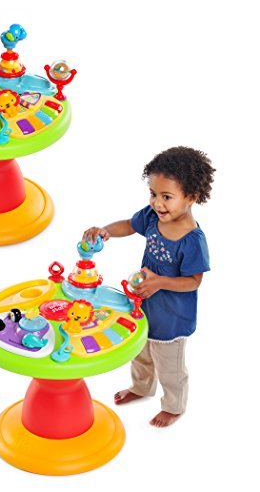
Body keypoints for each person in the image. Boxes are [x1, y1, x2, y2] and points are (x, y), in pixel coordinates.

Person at [83, 146, 215, 427]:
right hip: (143, 306)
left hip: (172, 317)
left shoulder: (193, 240)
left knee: (169, 368)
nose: (157, 203)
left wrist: (160, 282)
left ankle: (174, 406)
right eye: (153, 194)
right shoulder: (154, 217)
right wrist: (106, 231)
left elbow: (194, 281)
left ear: (191, 197)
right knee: (140, 353)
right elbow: (129, 225)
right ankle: (141, 388)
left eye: (166, 197)